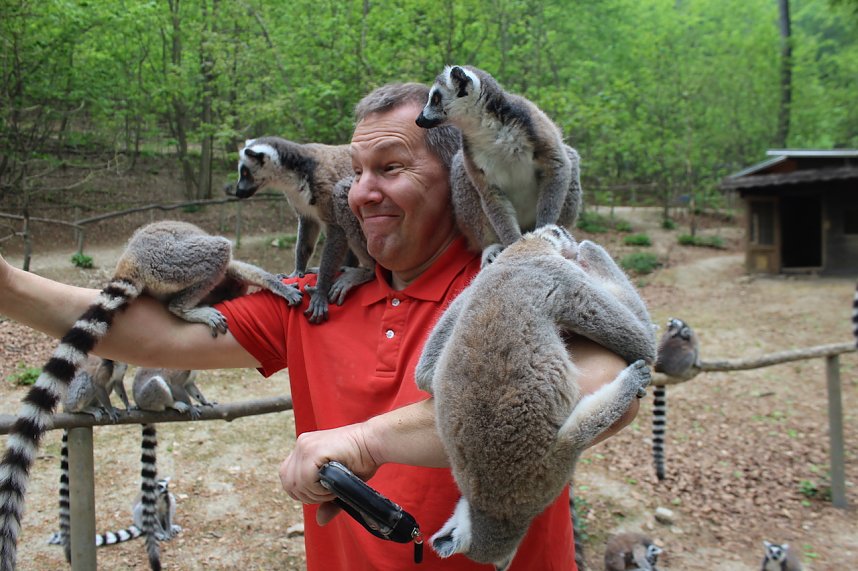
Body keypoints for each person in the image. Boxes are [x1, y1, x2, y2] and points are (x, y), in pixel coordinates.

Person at [0, 83, 638, 571]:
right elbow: (145, 337)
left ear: (460, 180)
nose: (360, 193)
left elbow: (604, 386)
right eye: (357, 173)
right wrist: (10, 286)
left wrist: (366, 442)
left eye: (390, 169)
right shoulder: (310, 302)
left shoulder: (520, 272)